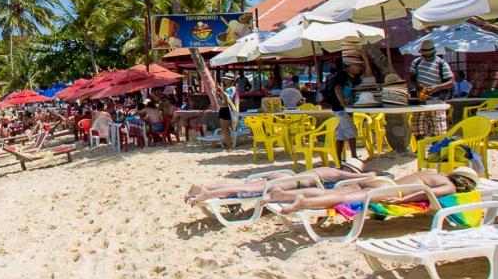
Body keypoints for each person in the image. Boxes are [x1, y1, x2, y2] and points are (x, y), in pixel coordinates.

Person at [272, 167, 478, 213]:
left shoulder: (433, 172)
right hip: (391, 190)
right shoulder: (449, 186)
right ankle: (302, 203)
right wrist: (399, 202)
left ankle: (284, 195)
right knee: (340, 197)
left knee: (332, 193)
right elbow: (427, 193)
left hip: (382, 180)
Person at [185, 160, 374, 204]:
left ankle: (206, 187)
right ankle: (207, 194)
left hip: (284, 175)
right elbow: (363, 178)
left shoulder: (326, 168)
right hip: (292, 183)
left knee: (244, 185)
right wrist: (371, 174)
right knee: (245, 190)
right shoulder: (337, 174)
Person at [325, 47, 369, 163]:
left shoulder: (355, 78)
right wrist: (344, 103)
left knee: (341, 133)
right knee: (351, 131)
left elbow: (368, 75)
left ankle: (338, 158)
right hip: (340, 108)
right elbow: (337, 88)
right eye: (357, 65)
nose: (359, 68)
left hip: (345, 108)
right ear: (349, 66)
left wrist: (365, 59)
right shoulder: (342, 76)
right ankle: (354, 157)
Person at [409, 39, 454, 140]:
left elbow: (451, 82)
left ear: (434, 52)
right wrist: (418, 86)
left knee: (437, 127)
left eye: (429, 54)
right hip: (420, 98)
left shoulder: (441, 63)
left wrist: (436, 87)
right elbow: (411, 78)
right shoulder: (416, 62)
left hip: (437, 99)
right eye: (425, 54)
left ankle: (435, 150)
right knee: (418, 126)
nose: (427, 56)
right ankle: (419, 150)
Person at [216, 75, 239, 150]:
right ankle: (228, 145)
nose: (224, 80)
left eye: (226, 79)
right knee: (224, 128)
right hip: (224, 109)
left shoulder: (232, 89)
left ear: (231, 80)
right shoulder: (228, 89)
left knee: (225, 128)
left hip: (227, 110)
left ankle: (229, 146)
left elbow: (228, 99)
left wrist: (221, 90)